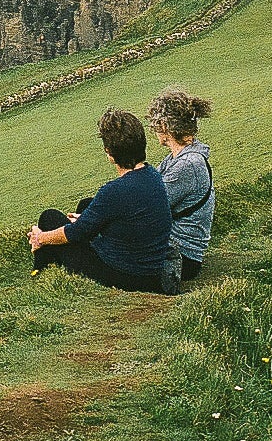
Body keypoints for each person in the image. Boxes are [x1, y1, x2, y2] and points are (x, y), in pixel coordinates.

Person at [26, 107, 181, 293]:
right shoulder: (153, 175)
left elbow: (76, 233)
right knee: (86, 205)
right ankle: (45, 261)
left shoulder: (114, 191)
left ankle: (40, 262)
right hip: (152, 272)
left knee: (49, 217)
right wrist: (85, 221)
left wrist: (41, 237)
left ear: (109, 153)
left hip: (126, 276)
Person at [147, 87, 215, 281]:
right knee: (88, 206)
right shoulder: (177, 158)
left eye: (155, 123)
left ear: (165, 126)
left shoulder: (187, 164)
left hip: (181, 257)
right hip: (175, 248)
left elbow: (150, 205)